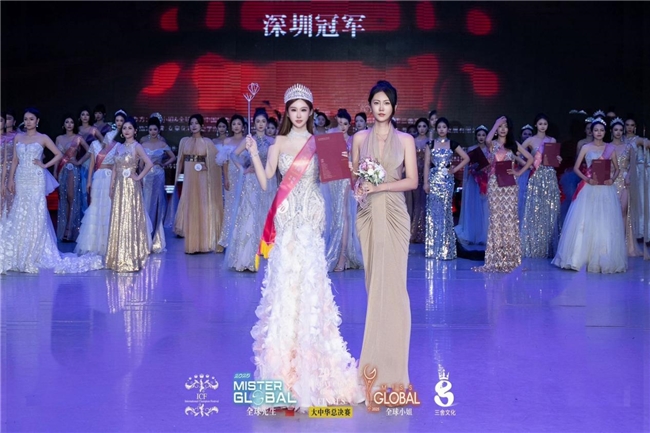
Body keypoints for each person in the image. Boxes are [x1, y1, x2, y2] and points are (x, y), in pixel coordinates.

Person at [246, 84, 362, 411]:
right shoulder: (278, 143)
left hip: (311, 217)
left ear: (311, 112)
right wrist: (253, 152)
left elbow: (337, 178)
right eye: (293, 110)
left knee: (311, 287)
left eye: (303, 110)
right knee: (286, 288)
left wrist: (353, 168)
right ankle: (284, 374)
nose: (298, 115)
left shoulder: (320, 142)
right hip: (286, 219)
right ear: (287, 112)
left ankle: (315, 372)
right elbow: (267, 181)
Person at [351, 80, 418, 396]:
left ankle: (395, 370)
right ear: (370, 105)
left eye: (386, 103)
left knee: (395, 288)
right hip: (367, 215)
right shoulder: (358, 138)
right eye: (376, 102)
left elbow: (412, 181)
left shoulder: (406, 140)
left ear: (394, 107)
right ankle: (373, 368)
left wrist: (380, 187)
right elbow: (354, 180)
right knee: (374, 286)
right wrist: (359, 187)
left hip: (394, 213)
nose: (381, 108)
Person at [0, 108, 102, 274]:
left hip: (36, 177)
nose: (28, 122)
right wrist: (10, 179)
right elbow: (15, 161)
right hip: (21, 176)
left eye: (31, 119)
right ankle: (19, 249)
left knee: (35, 211)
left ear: (37, 121)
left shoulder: (43, 138)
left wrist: (44, 165)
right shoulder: (18, 137)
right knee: (20, 210)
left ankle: (34, 250)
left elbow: (58, 154)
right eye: (26, 119)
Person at [552, 118, 626, 273]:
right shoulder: (586, 147)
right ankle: (579, 257)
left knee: (604, 222)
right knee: (586, 220)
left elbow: (617, 169)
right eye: (596, 130)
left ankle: (602, 257)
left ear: (605, 132)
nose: (599, 133)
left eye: (601, 130)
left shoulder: (610, 148)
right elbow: (576, 168)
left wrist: (612, 179)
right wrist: (587, 179)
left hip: (605, 188)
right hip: (589, 187)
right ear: (591, 132)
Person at [473, 116, 533, 273]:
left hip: (510, 185)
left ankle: (511, 258)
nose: (502, 129)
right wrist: (496, 123)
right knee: (496, 218)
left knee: (509, 219)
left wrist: (518, 172)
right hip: (495, 183)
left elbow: (530, 159)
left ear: (509, 129)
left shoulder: (513, 145)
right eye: (500, 126)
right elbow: (487, 139)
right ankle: (496, 257)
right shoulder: (492, 144)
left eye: (505, 126)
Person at [226, 108, 277, 271]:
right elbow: (233, 155)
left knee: (267, 214)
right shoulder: (249, 140)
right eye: (258, 121)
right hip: (251, 182)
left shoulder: (272, 141)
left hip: (269, 180)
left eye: (263, 121)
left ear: (267, 123)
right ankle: (249, 254)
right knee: (251, 214)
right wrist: (243, 169)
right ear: (253, 123)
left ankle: (266, 251)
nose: (261, 124)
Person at [105, 117, 154, 272]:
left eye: (130, 128)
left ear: (135, 131)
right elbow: (115, 167)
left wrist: (138, 177)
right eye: (124, 128)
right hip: (119, 186)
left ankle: (130, 258)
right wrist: (111, 185)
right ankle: (116, 258)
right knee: (119, 218)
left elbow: (149, 163)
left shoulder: (137, 146)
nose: (126, 131)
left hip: (131, 187)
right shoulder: (119, 147)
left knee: (129, 218)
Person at [75, 110, 126, 256]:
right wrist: (88, 181)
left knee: (109, 208)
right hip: (97, 178)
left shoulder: (118, 144)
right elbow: (92, 164)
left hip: (110, 178)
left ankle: (110, 243)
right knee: (96, 207)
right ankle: (94, 243)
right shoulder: (95, 145)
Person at [174, 114, 224, 254]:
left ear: (202, 126)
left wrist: (206, 167)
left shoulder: (207, 142)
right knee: (190, 207)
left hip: (202, 178)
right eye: (191, 123)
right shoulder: (184, 141)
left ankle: (203, 244)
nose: (194, 126)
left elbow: (216, 161)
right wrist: (176, 178)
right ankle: (192, 245)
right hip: (189, 178)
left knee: (202, 207)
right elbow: (179, 161)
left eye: (196, 123)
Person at [424, 117, 469, 259]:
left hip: (447, 181)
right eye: (439, 127)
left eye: (444, 127)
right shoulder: (430, 144)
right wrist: (426, 183)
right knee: (433, 214)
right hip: (433, 180)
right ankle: (433, 249)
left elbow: (466, 158)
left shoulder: (452, 144)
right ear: (436, 129)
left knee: (445, 213)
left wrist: (455, 169)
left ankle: (445, 248)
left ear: (448, 129)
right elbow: (426, 164)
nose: (442, 129)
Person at [520, 114, 562, 258]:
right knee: (534, 210)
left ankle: (548, 247)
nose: (543, 126)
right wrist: (527, 163)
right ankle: (534, 246)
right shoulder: (530, 140)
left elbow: (554, 158)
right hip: (536, 177)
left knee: (549, 210)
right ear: (535, 125)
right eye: (540, 123)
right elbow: (517, 153)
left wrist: (558, 159)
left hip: (549, 176)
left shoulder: (552, 140)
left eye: (545, 124)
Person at [142, 116, 176, 253]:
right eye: (150, 129)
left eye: (155, 129)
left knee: (158, 203)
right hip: (146, 176)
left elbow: (173, 157)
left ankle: (156, 237)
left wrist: (164, 164)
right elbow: (140, 163)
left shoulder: (162, 144)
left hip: (159, 175)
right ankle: (145, 237)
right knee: (146, 202)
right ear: (148, 130)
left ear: (159, 130)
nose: (152, 132)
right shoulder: (143, 144)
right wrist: (140, 176)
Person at [53, 114, 88, 242]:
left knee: (71, 198)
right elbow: (57, 157)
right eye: (67, 122)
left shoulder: (78, 138)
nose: (69, 124)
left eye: (71, 122)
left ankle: (70, 229)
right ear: (63, 124)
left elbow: (90, 151)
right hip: (61, 171)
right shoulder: (58, 138)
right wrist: (55, 172)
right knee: (63, 199)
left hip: (73, 170)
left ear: (74, 124)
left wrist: (79, 162)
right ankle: (63, 229)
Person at [455, 125, 490, 246]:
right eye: (479, 135)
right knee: (472, 207)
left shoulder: (490, 150)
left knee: (484, 208)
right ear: (476, 136)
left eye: (483, 135)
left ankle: (482, 235)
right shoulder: (471, 149)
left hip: (485, 182)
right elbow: (467, 167)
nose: (481, 137)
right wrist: (472, 168)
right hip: (473, 181)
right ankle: (470, 234)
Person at [217, 115, 245, 249]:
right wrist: (226, 178)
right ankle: (226, 240)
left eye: (239, 124)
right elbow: (224, 162)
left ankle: (241, 239)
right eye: (234, 124)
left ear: (243, 126)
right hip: (231, 178)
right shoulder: (227, 141)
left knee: (243, 207)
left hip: (244, 177)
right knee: (229, 207)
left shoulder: (247, 141)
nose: (236, 126)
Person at [408, 118, 429, 243]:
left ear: (427, 128)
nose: (422, 128)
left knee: (425, 204)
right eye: (419, 126)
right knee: (416, 204)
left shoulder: (430, 142)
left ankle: (425, 233)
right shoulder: (412, 141)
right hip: (414, 173)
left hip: (426, 175)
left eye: (424, 126)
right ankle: (414, 232)